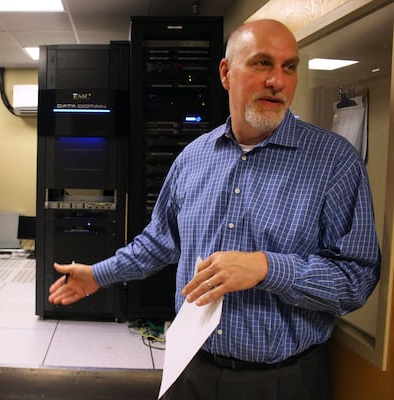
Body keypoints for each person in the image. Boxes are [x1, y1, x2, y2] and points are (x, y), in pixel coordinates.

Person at [48, 19, 380, 400]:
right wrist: (97, 274)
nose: (277, 81)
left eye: (289, 67)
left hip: (282, 381)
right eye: (262, 64)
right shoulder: (194, 157)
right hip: (190, 368)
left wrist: (267, 268)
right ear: (226, 73)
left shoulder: (334, 162)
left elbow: (356, 278)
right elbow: (159, 241)